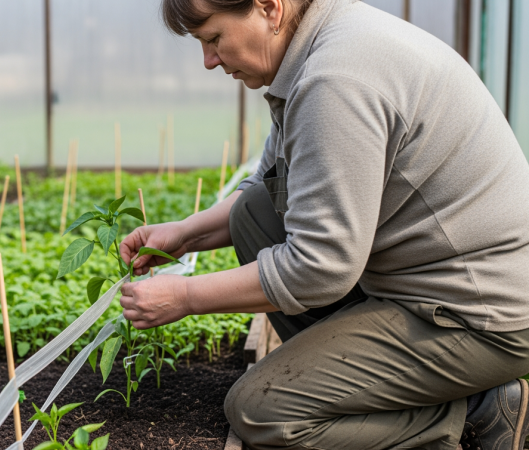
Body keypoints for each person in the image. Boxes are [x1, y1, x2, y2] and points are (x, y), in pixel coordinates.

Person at [117, 0, 529, 449]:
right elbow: (272, 180)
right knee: (254, 213)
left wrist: (186, 297)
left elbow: (320, 267)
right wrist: (186, 233)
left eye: (214, 38)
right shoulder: (318, 45)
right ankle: (355, 384)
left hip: (480, 314)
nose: (209, 60)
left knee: (262, 412)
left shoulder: (335, 79)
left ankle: (474, 414)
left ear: (269, 9)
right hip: (427, 282)